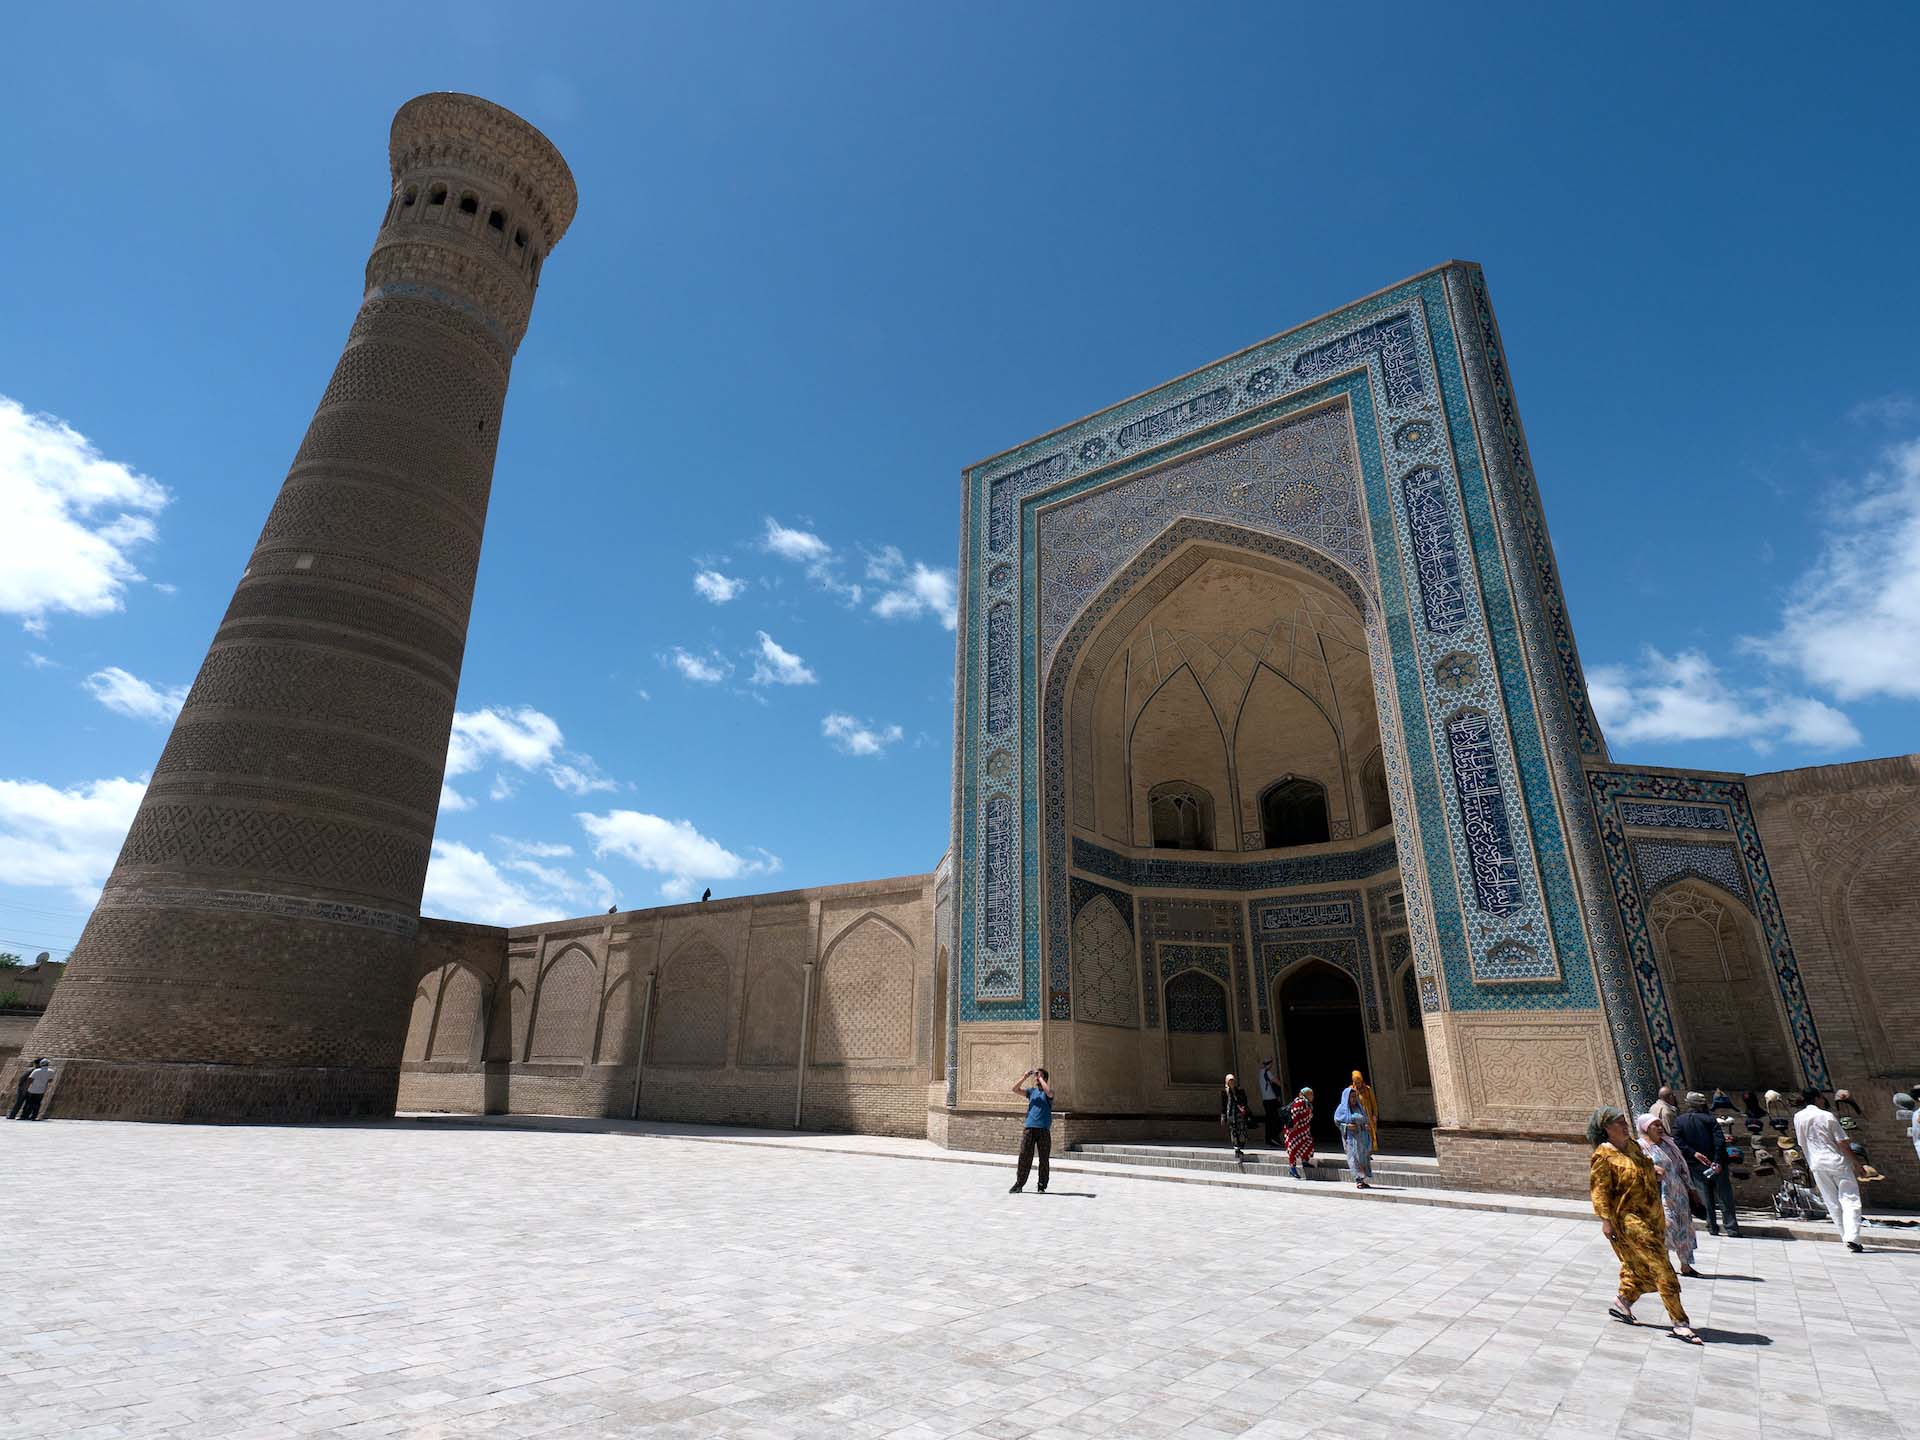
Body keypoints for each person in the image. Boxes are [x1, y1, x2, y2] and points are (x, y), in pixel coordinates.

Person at [1588, 1106, 1701, 1343]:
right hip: (1628, 1219)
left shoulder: (1632, 1146)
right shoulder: (1603, 1156)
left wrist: (1653, 1171)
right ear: (1606, 1128)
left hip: (1652, 1214)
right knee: (1662, 1266)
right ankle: (1680, 1322)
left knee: (1641, 1267)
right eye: (1619, 1122)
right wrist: (1606, 1221)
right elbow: (1600, 1192)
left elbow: (1644, 1166)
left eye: (1624, 1121)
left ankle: (1623, 1301)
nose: (1624, 1125)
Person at [1793, 1088, 1866, 1252]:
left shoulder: (1798, 1117)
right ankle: (1852, 1237)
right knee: (1850, 1199)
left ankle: (1846, 1237)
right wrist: (1857, 1163)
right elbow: (1842, 1143)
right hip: (1836, 1161)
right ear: (1817, 1098)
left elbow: (1802, 1143)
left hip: (1816, 1163)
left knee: (1832, 1202)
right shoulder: (1827, 1116)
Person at [1637, 1113, 1700, 1277]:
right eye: (1655, 1125)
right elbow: (1636, 1168)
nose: (1660, 1128)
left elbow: (1682, 1167)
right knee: (1667, 1226)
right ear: (1646, 1128)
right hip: (1660, 1193)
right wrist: (1651, 1169)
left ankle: (1686, 1265)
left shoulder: (1669, 1144)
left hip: (1678, 1192)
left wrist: (1691, 1189)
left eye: (1660, 1125)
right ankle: (1664, 1264)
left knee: (1684, 1227)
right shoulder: (1640, 1147)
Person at [1670, 1090, 1741, 1237]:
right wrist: (1717, 1161)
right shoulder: (1709, 1120)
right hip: (1716, 1165)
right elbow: (1719, 1141)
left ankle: (1712, 1227)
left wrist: (1693, 1153)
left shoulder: (1680, 1121)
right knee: (1724, 1197)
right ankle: (1731, 1228)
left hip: (1696, 1165)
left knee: (1705, 1198)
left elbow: (1678, 1141)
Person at [1008, 1067, 1052, 1194]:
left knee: (1044, 1159)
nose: (1036, 1078)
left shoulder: (1048, 1092)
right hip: (1029, 1128)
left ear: (1045, 1078)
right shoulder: (1031, 1092)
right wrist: (1024, 1077)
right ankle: (1019, 1184)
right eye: (1036, 1076)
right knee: (1024, 1156)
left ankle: (1042, 1185)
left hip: (1043, 1130)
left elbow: (1049, 1093)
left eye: (1040, 1076)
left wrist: (1041, 1078)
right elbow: (1014, 1089)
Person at [1334, 1069, 1377, 1188]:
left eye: (1355, 1097)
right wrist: (1346, 1126)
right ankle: (1358, 1180)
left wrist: (1366, 1126)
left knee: (1363, 1159)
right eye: (1351, 1097)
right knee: (1354, 1159)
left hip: (1361, 1139)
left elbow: (1365, 1119)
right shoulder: (1342, 1109)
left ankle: (1362, 1180)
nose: (1353, 1099)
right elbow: (1337, 1122)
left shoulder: (1359, 1107)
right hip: (1351, 1140)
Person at [1284, 1086, 1314, 1178]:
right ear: (1305, 1094)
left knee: (1307, 1144)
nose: (1312, 1096)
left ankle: (1305, 1161)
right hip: (1295, 1131)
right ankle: (1292, 1168)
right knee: (1293, 1148)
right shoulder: (1300, 1102)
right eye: (1310, 1094)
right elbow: (1295, 1113)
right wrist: (1295, 1125)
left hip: (1304, 1130)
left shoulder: (1307, 1103)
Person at [1221, 1074, 1250, 1158]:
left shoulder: (1240, 1090)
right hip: (1231, 1114)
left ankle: (1240, 1145)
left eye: (1232, 1080)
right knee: (1233, 1132)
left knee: (1241, 1131)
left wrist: (1243, 1107)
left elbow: (1245, 1101)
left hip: (1240, 1114)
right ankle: (1237, 1149)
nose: (1231, 1082)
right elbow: (1224, 1105)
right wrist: (1223, 1116)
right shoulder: (1225, 1092)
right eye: (1230, 1081)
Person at [1258, 1060, 1282, 1147]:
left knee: (1269, 1120)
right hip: (1271, 1100)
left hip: (1266, 1100)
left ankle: (1269, 1139)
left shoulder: (1260, 1073)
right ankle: (1274, 1138)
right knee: (1275, 1120)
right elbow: (1278, 1083)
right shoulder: (1267, 1072)